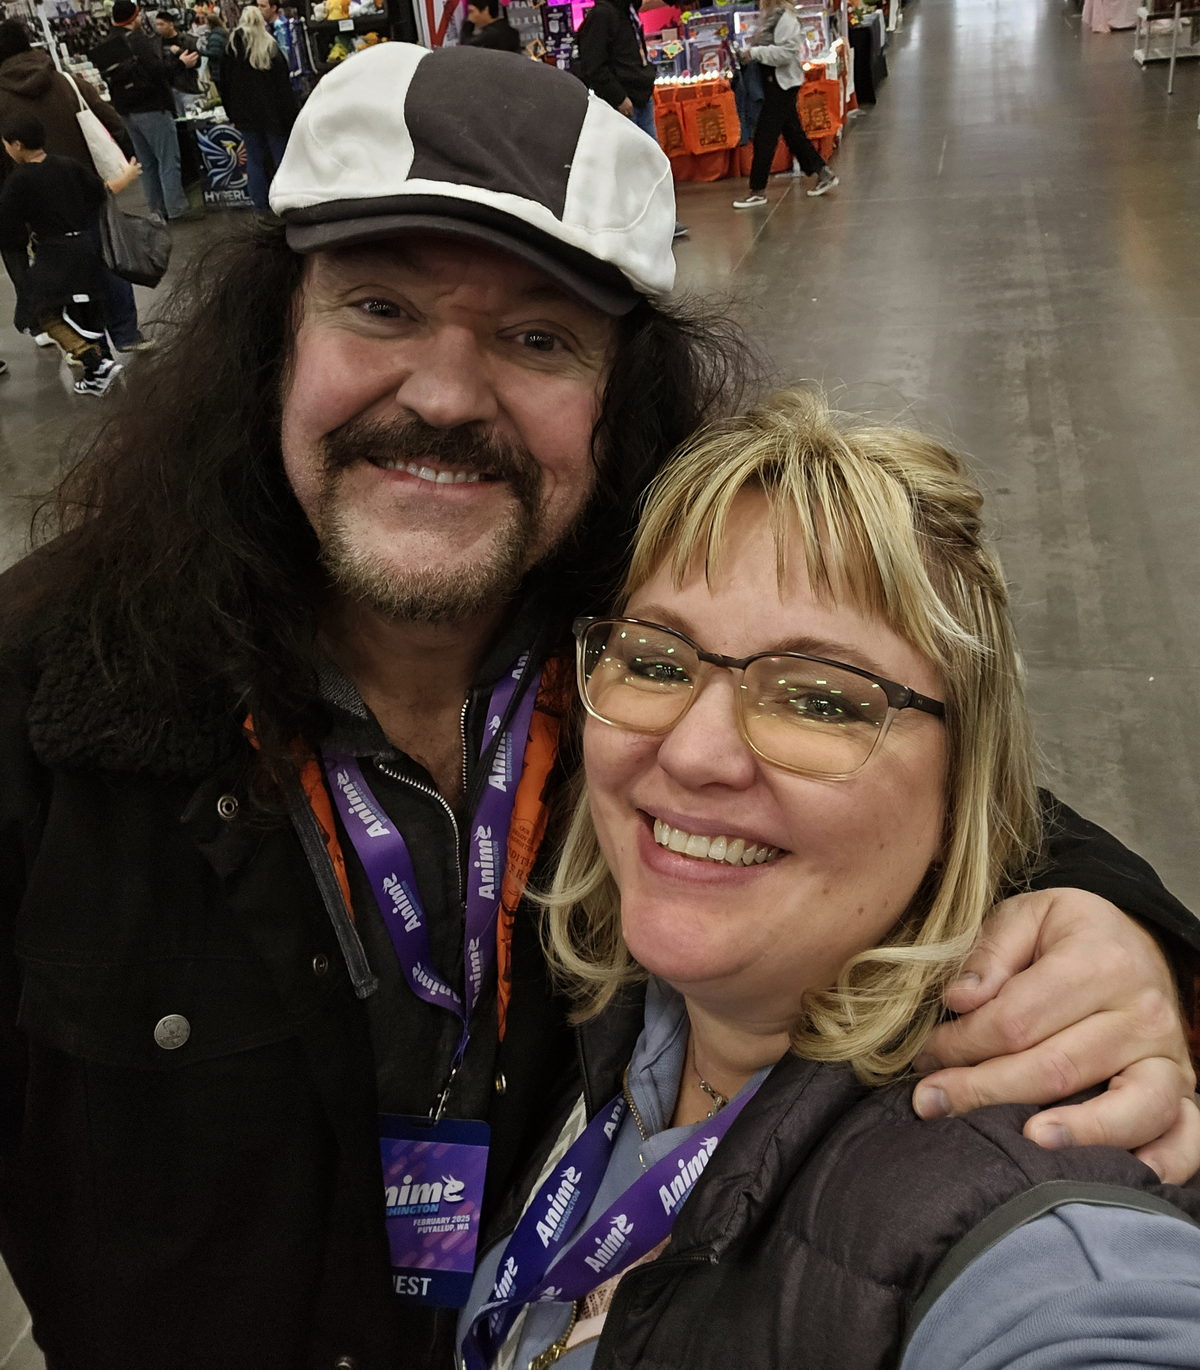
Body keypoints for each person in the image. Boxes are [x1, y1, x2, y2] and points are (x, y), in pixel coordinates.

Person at [0, 42, 1195, 1370]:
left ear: (619, 402)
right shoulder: (50, 689)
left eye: (537, 337)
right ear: (274, 339)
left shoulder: (657, 655)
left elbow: (926, 776)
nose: (445, 395)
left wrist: (1124, 934)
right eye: (381, 308)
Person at [459, 389, 1200, 1369]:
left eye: (818, 699)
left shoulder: (1023, 1200)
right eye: (657, 661)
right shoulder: (611, 1016)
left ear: (961, 788)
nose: (693, 752)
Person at [0, 17, 146, 353]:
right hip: (86, 186)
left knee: (67, 278)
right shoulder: (66, 80)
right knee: (107, 258)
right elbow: (111, 121)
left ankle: (91, 345)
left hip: (36, 205)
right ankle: (127, 334)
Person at [0, 113, 140, 395]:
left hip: (54, 254)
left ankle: (94, 361)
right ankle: (97, 374)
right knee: (86, 310)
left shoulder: (18, 181)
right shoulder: (68, 164)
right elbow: (100, 193)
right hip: (86, 246)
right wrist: (125, 177)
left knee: (39, 311)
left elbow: (8, 226)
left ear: (17, 145)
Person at [574, 0, 688, 239]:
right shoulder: (603, 14)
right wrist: (618, 97)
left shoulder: (626, 11)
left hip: (640, 97)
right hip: (623, 103)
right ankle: (638, 226)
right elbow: (593, 65)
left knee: (651, 164)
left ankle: (661, 222)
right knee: (629, 167)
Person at [93, 0, 193, 221]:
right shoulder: (137, 40)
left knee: (146, 163)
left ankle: (156, 210)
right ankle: (176, 208)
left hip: (127, 111)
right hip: (152, 107)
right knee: (168, 159)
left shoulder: (107, 43)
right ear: (132, 17)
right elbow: (156, 70)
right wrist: (180, 63)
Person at [732, 0, 838, 209]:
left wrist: (754, 53)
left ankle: (757, 190)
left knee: (765, 136)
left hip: (782, 84)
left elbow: (785, 54)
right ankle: (823, 172)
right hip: (776, 83)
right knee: (793, 133)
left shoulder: (785, 18)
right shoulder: (772, 15)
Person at [220, 6, 295, 211]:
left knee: (254, 161)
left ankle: (260, 206)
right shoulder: (270, 47)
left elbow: (224, 84)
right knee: (281, 160)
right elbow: (283, 87)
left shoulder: (230, 49)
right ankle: (287, 202)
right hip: (273, 115)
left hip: (245, 116)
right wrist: (290, 116)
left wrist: (231, 113)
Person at [154, 9, 202, 113]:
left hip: (186, 86)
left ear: (171, 24)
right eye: (157, 24)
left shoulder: (188, 40)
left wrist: (179, 52)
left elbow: (197, 62)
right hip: (168, 89)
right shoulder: (155, 43)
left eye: (161, 24)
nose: (158, 27)